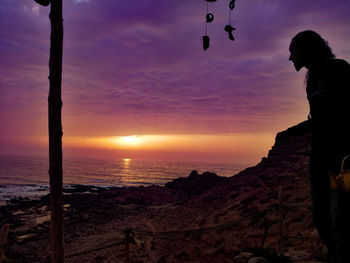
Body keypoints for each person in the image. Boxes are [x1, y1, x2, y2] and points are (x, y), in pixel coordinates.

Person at [288, 30, 350, 263]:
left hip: (343, 159)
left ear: (306, 49)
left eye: (292, 51)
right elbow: (318, 119)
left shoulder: (339, 70)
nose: (290, 57)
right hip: (320, 158)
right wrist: (291, 132)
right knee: (321, 214)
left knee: (340, 216)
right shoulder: (311, 80)